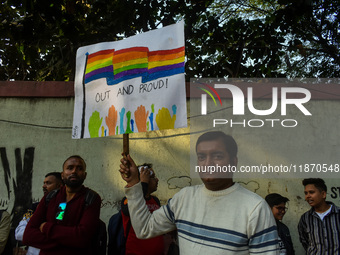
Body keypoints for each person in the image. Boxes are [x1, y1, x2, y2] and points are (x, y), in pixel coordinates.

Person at [119, 131, 278, 254]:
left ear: (233, 162)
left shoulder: (255, 209)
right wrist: (133, 183)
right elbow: (144, 229)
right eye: (202, 157)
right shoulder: (184, 198)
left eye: (217, 156)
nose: (208, 163)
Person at [22, 155, 101, 255]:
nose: (74, 171)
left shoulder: (91, 198)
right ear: (62, 175)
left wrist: (47, 227)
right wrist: (68, 242)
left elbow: (82, 238)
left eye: (79, 168)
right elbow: (28, 235)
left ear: (85, 175)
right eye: (70, 168)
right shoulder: (50, 197)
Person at [15, 172, 64, 255]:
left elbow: (62, 236)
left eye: (48, 183)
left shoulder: (63, 207)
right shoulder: (35, 207)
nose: (44, 186)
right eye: (44, 183)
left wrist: (33, 231)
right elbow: (19, 233)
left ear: (59, 186)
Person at [121, 163, 164, 255]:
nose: (157, 180)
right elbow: (130, 207)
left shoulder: (155, 200)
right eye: (152, 177)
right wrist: (142, 184)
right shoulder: (128, 200)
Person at [298, 178, 340, 254]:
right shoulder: (305, 218)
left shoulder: (338, 214)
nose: (308, 196)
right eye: (306, 193)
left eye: (311, 192)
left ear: (323, 194)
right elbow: (305, 241)